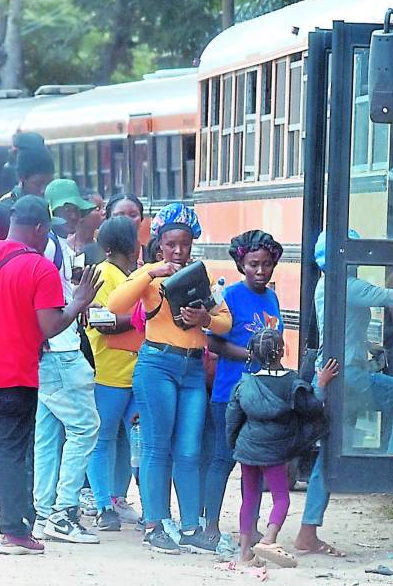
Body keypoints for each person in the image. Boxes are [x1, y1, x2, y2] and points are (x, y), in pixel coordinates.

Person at [0, 195, 101, 555]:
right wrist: (78, 301)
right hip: (15, 374)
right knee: (13, 451)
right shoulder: (40, 269)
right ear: (39, 228)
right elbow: (48, 326)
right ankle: (15, 533)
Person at [108, 202, 232, 554]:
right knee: (156, 446)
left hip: (193, 367)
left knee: (190, 450)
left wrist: (203, 319)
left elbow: (225, 321)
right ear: (159, 243)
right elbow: (116, 303)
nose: (178, 251)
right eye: (171, 244)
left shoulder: (201, 276)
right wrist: (151, 272)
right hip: (157, 365)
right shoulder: (149, 274)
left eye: (185, 243)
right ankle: (155, 524)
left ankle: (191, 527)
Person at [294, 232, 393, 555]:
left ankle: (308, 531)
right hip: (351, 379)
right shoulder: (349, 286)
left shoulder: (324, 284)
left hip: (333, 378)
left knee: (328, 457)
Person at [226, 328, 338, 568]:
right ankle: (269, 538)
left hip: (247, 448)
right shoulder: (292, 384)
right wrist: (321, 383)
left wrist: (234, 444)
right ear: (283, 350)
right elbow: (314, 408)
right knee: (280, 498)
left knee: (250, 498)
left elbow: (232, 417)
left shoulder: (245, 384)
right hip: (274, 450)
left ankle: (245, 553)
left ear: (253, 354)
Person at [203, 230, 284, 546]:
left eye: (266, 264)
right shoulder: (230, 297)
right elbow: (212, 341)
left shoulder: (273, 297)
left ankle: (249, 526)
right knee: (223, 459)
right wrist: (250, 354)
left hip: (262, 394)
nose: (261, 271)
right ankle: (210, 526)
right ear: (241, 264)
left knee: (256, 464)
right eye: (253, 265)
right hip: (229, 394)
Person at [31, 179, 101, 544]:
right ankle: (63, 511)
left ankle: (44, 512)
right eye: (68, 209)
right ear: (54, 212)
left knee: (47, 434)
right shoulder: (51, 249)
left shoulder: (51, 247)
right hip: (60, 349)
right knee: (85, 427)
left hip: (46, 350)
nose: (75, 215)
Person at [86, 217, 143, 531]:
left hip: (114, 371)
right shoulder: (108, 274)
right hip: (115, 372)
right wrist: (142, 318)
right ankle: (109, 503)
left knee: (109, 440)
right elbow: (101, 319)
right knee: (129, 442)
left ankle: (107, 504)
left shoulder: (122, 274)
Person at [0, 132, 54, 202]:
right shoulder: (4, 207)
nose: (44, 190)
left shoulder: (55, 206)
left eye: (49, 184)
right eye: (38, 184)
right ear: (21, 179)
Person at [68, 190, 105, 265]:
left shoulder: (105, 244)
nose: (104, 212)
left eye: (103, 207)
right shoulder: (66, 248)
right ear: (81, 214)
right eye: (98, 208)